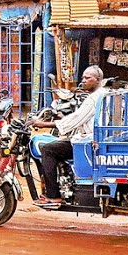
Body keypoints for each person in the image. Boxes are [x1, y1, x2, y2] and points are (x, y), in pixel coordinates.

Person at [30, 66, 105, 209]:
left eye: (88, 78)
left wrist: (43, 124)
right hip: (94, 138)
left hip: (89, 141)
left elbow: (76, 119)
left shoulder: (93, 99)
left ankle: (53, 196)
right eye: (83, 78)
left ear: (98, 80)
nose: (84, 81)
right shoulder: (104, 94)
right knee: (59, 145)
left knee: (48, 149)